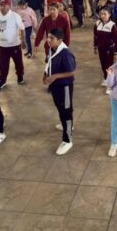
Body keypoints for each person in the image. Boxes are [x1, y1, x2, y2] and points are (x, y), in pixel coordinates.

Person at [43, 28, 76, 156]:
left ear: (60, 40)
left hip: (65, 87)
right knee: (61, 108)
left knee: (66, 111)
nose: (48, 40)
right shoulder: (52, 49)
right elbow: (49, 63)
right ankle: (67, 124)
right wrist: (45, 74)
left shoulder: (66, 53)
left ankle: (67, 140)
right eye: (48, 37)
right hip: (55, 86)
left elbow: (72, 71)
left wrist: (55, 76)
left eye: (51, 38)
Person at [0, 0, 25, 87]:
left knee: (18, 62)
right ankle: (2, 80)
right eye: (0, 5)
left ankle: (20, 76)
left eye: (4, 5)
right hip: (2, 45)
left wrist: (23, 40)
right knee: (3, 64)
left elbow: (22, 28)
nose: (1, 7)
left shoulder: (15, 16)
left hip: (14, 45)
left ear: (9, 6)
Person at [94, 7, 117, 92]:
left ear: (109, 15)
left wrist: (116, 52)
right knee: (103, 64)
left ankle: (111, 85)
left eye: (105, 14)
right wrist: (95, 47)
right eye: (101, 14)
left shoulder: (113, 25)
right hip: (101, 48)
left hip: (109, 49)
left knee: (109, 66)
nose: (103, 15)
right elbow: (96, 36)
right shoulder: (97, 24)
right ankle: (106, 78)